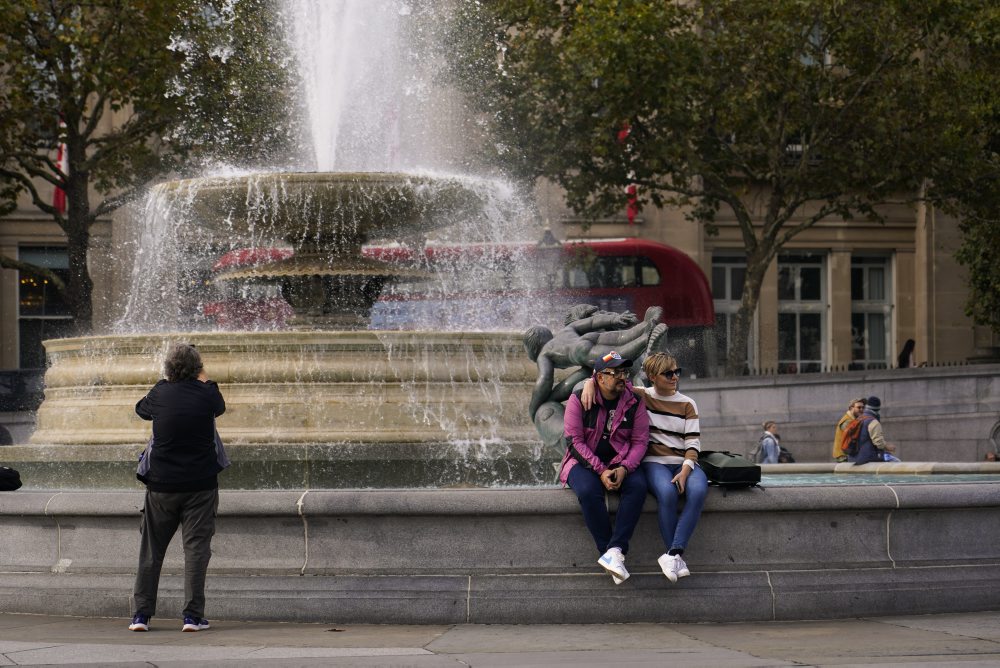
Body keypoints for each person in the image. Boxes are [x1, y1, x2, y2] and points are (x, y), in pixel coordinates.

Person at [580, 352, 708, 582]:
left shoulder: (688, 403)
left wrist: (686, 469)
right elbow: (609, 381)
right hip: (655, 462)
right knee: (667, 494)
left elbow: (693, 443)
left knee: (699, 491)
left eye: (676, 372)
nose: (674, 377)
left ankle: (673, 553)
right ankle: (672, 555)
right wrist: (590, 383)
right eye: (667, 373)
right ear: (651, 377)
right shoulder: (640, 395)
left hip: (685, 463)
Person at [129, 343, 226, 633]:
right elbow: (219, 407)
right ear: (198, 368)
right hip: (201, 485)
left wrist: (165, 380)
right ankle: (192, 618)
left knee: (151, 551)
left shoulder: (159, 392)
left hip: (161, 486)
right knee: (196, 551)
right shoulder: (209, 394)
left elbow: (141, 410)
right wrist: (203, 376)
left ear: (169, 368)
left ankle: (141, 616)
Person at [560, 350, 649, 585]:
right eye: (616, 372)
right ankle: (608, 551)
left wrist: (625, 468)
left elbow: (640, 442)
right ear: (600, 378)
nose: (623, 377)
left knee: (638, 486)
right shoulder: (578, 400)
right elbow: (574, 442)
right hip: (583, 463)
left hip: (621, 462)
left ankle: (615, 551)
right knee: (589, 492)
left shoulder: (634, 401)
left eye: (625, 372)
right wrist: (600, 470)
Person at [526, 304, 665, 448]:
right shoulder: (566, 331)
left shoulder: (544, 355)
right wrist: (615, 319)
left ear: (535, 351)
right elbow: (591, 323)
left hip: (581, 352)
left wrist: (534, 408)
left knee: (616, 354)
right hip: (591, 338)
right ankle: (646, 327)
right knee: (620, 339)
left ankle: (645, 341)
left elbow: (544, 380)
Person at [848, 395, 887, 465]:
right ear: (878, 409)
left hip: (853, 459)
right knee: (896, 461)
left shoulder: (857, 419)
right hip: (868, 460)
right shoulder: (873, 422)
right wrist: (888, 447)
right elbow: (879, 443)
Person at [833, 398, 866, 462]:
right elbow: (854, 438)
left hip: (847, 455)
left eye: (863, 407)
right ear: (851, 408)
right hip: (844, 457)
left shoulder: (853, 420)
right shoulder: (847, 421)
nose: (862, 409)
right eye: (859, 407)